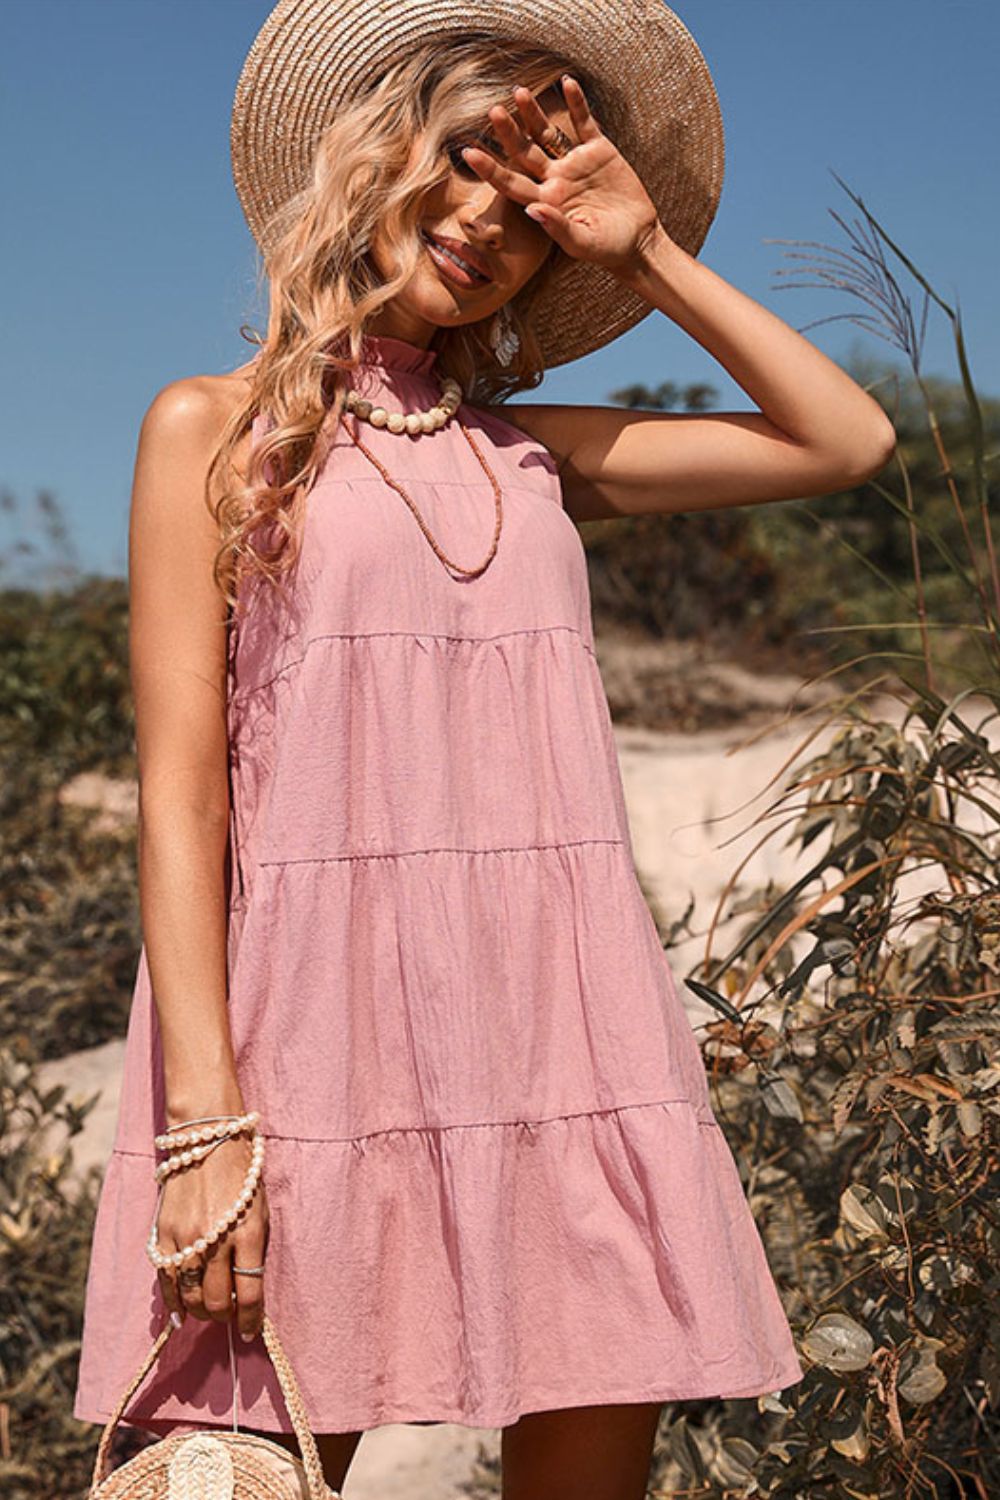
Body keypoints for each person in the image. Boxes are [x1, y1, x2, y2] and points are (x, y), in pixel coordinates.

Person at [74, 3, 895, 1496]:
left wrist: (642, 252)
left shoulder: (536, 454)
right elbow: (182, 797)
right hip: (300, 1039)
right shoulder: (214, 431)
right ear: (378, 155)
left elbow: (845, 442)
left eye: (531, 215)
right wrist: (205, 1124)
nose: (486, 228)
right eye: (466, 164)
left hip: (559, 1030)